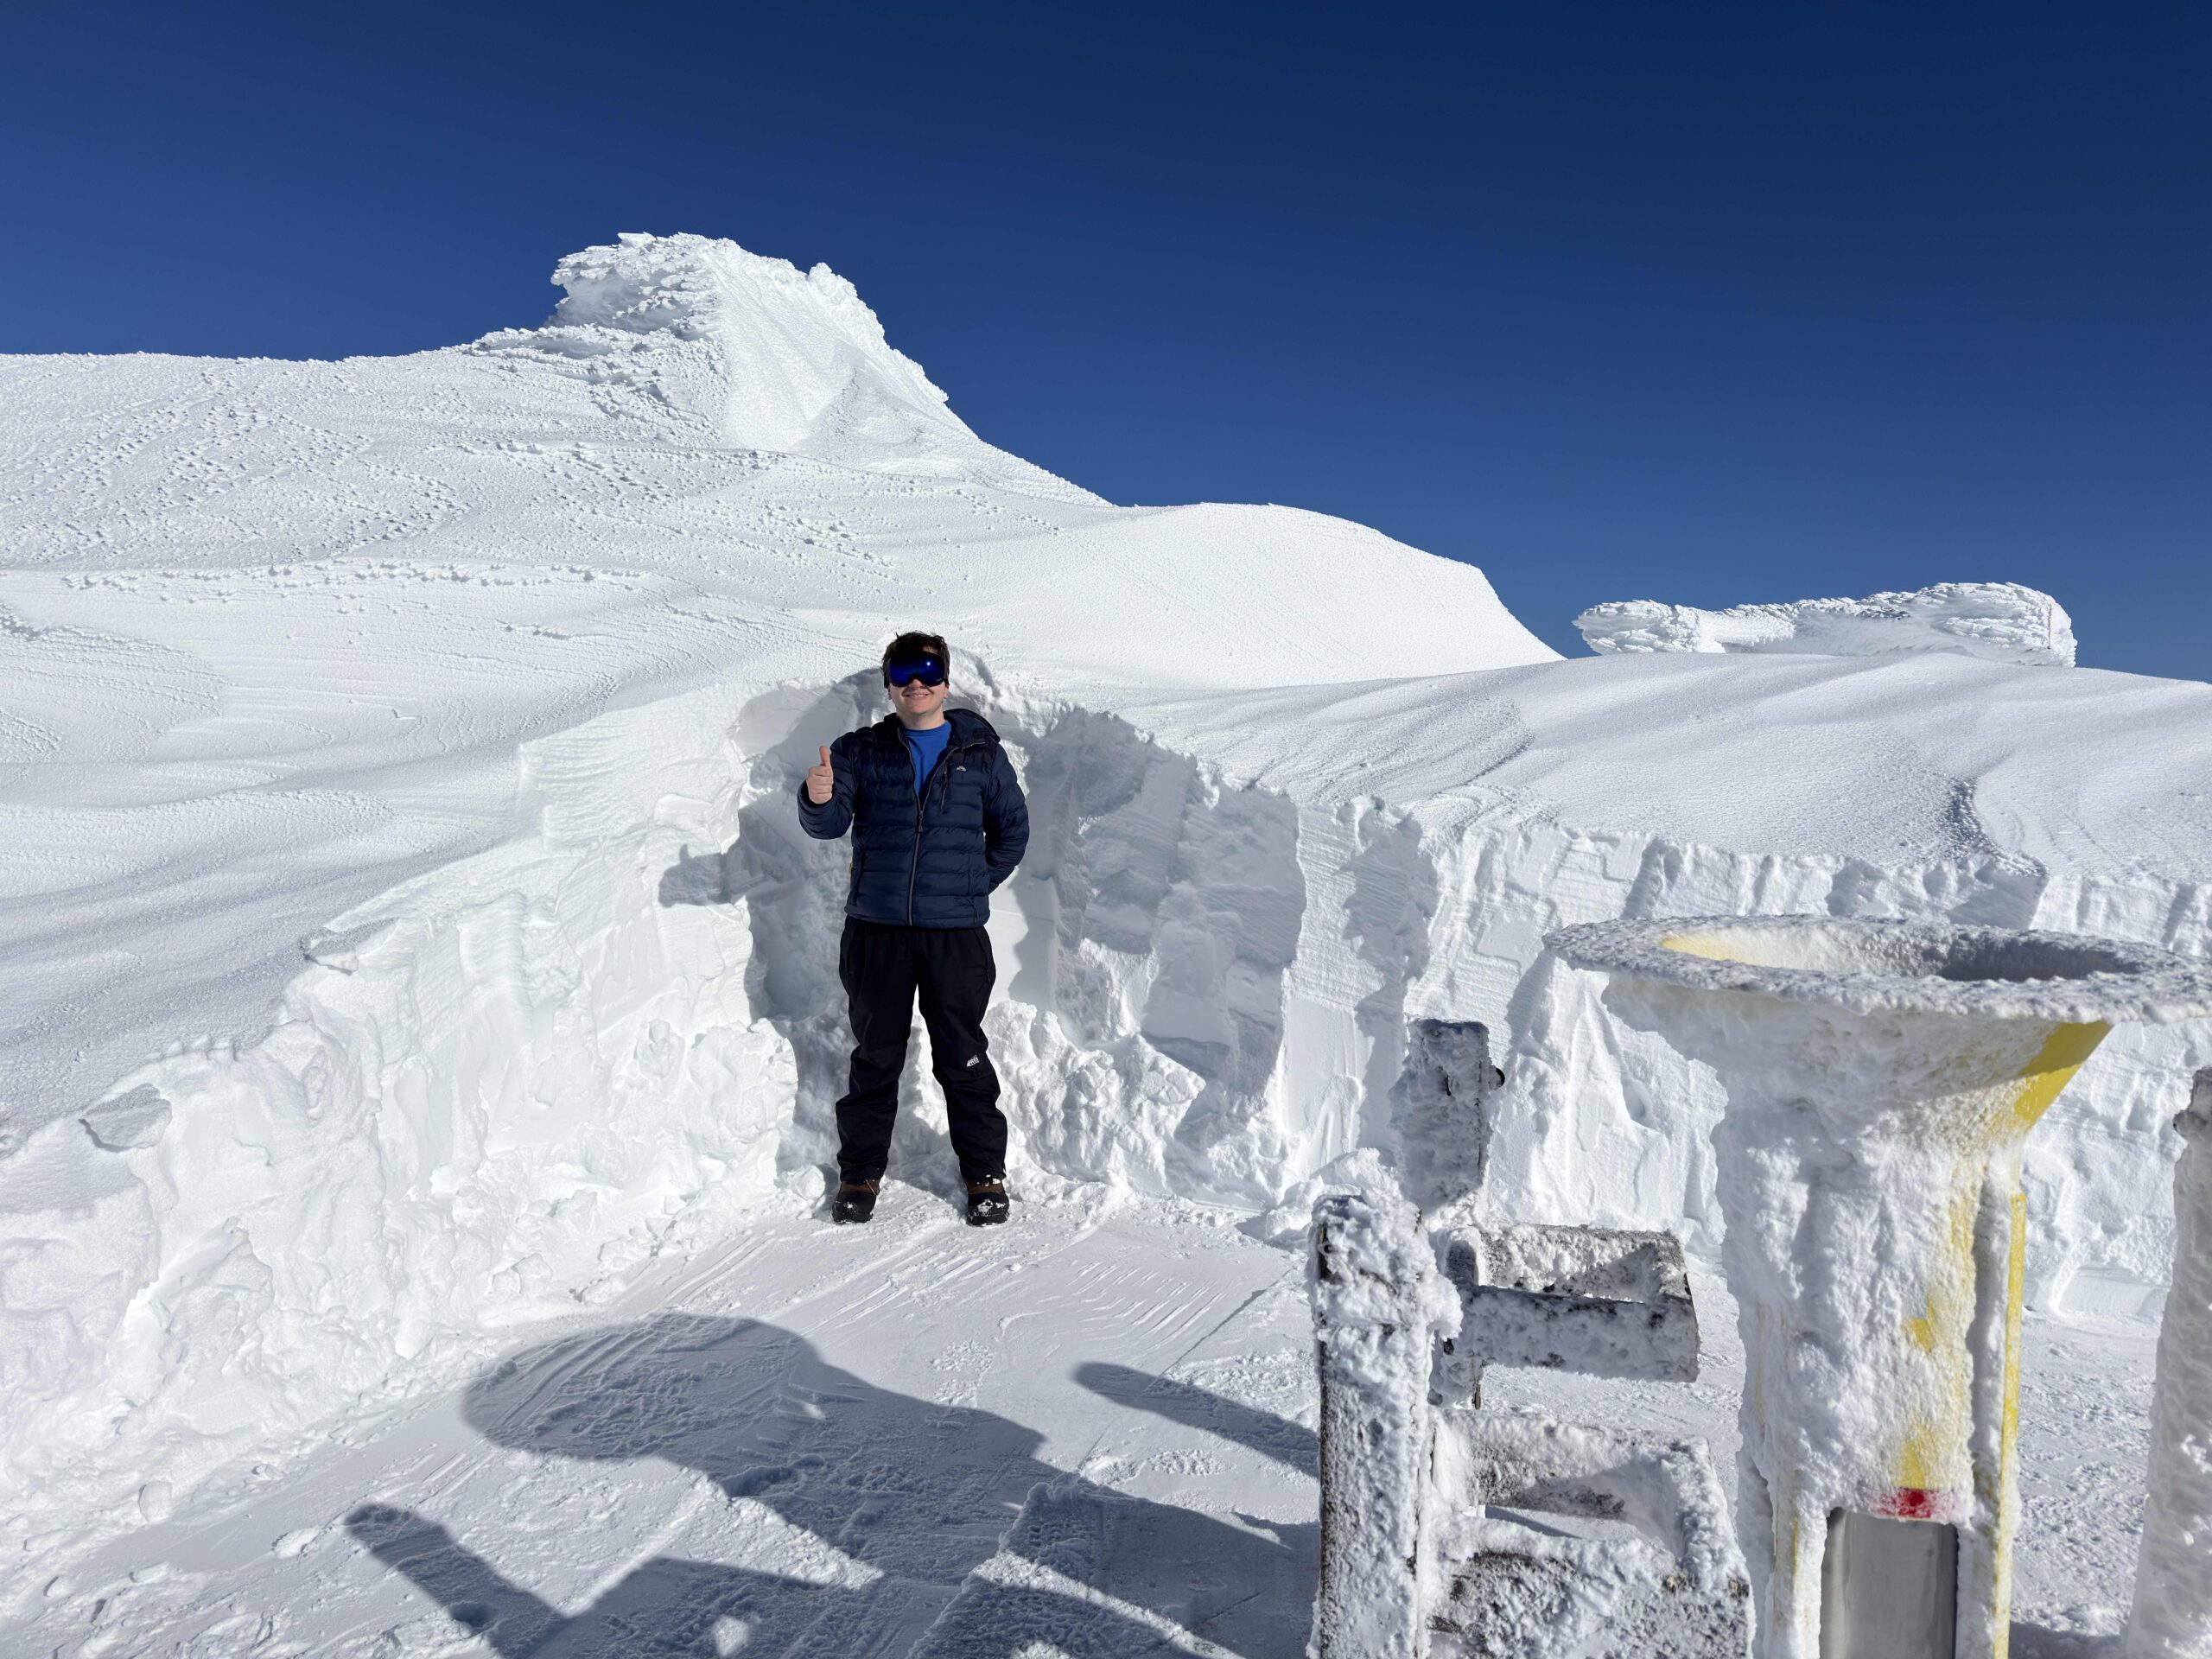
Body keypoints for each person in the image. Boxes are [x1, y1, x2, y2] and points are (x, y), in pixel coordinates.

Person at [797, 632, 1029, 1225]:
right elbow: (828, 824)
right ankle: (859, 1174)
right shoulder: (860, 751)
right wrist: (817, 797)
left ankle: (984, 1175)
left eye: (927, 671)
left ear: (945, 683)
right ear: (890, 686)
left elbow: (1012, 833)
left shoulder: (981, 754)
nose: (916, 684)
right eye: (903, 673)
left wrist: (967, 887)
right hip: (876, 933)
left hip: (955, 937)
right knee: (875, 1057)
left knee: (963, 1057)